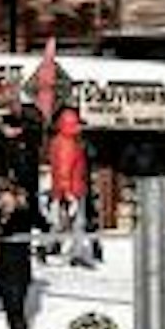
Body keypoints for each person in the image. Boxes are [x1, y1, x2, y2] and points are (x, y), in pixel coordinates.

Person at [0, 175, 40, 329]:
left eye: (5, 193)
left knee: (17, 307)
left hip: (19, 266)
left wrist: (17, 207)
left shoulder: (23, 213)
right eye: (0, 194)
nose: (2, 198)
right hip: (2, 266)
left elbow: (40, 223)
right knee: (10, 308)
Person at [46, 103, 97, 267]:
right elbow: (64, 169)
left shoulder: (64, 140)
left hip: (68, 188)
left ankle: (51, 247)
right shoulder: (68, 143)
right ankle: (71, 253)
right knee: (74, 222)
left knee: (64, 222)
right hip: (72, 189)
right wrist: (68, 192)